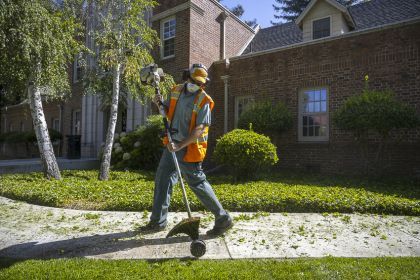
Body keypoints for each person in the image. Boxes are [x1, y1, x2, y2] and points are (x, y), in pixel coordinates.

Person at [141, 64, 233, 236]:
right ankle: (157, 222)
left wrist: (180, 145)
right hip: (172, 145)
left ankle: (223, 219)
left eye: (200, 84)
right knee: (163, 179)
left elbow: (199, 129)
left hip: (189, 148)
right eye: (194, 81)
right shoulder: (176, 90)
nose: (196, 85)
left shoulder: (204, 100)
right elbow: (169, 113)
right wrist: (160, 104)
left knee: (197, 183)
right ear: (187, 77)